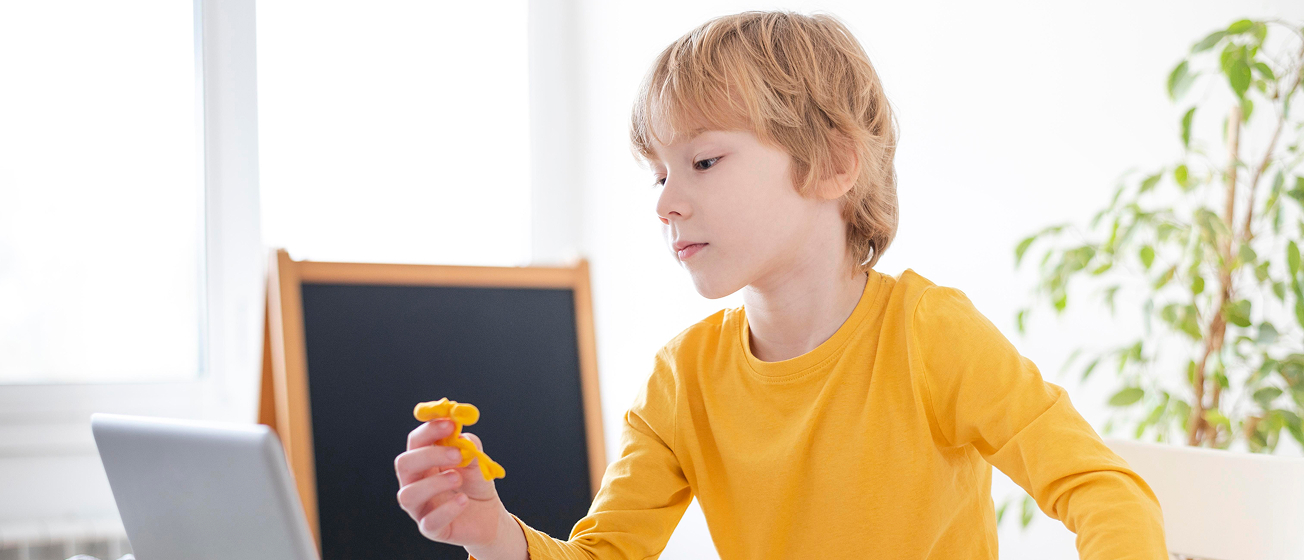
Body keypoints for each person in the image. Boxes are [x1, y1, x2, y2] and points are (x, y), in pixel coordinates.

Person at [393, 10, 1168, 560]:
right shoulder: (682, 380)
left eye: (703, 161)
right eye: (657, 173)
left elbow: (1103, 490)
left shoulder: (930, 336)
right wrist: (497, 537)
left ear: (832, 163)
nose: (665, 199)